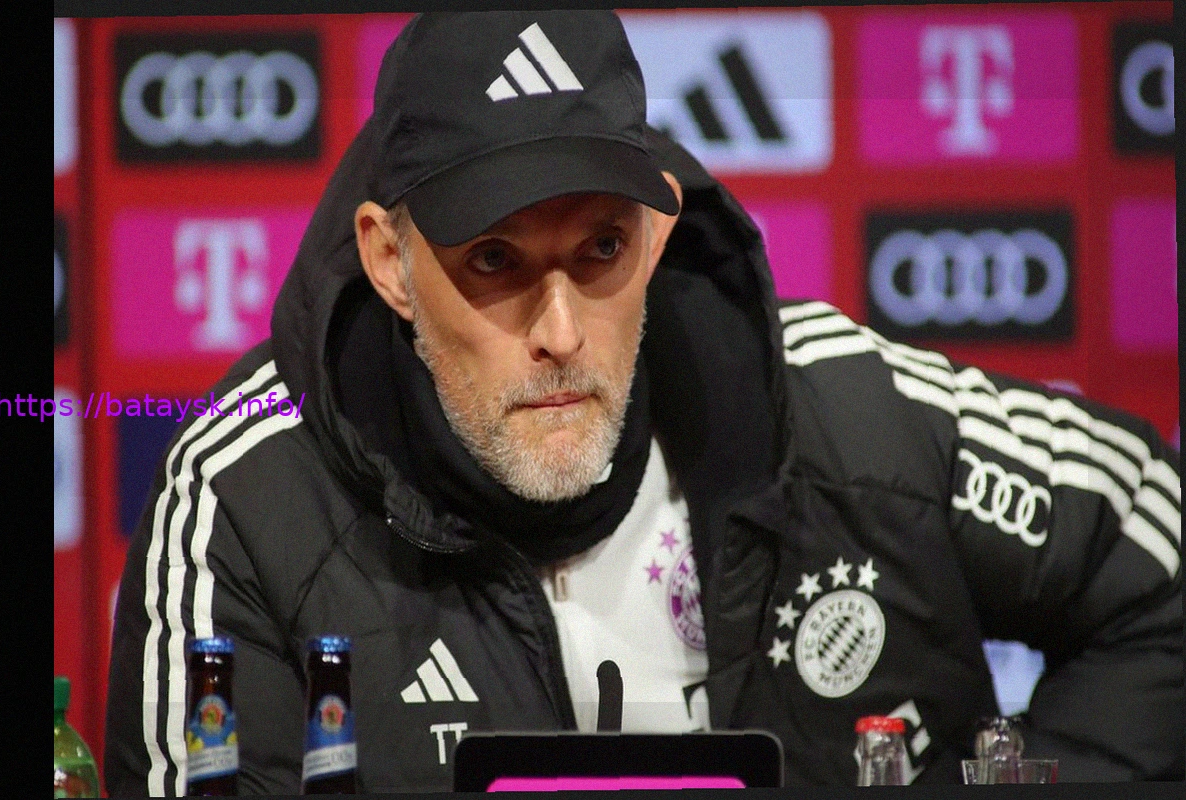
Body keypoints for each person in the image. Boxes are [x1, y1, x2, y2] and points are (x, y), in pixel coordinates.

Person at [104, 11, 1183, 794]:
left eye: (602, 250)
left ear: (658, 230)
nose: (561, 332)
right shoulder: (242, 497)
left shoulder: (845, 410)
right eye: (494, 261)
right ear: (390, 261)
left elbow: (1162, 555)